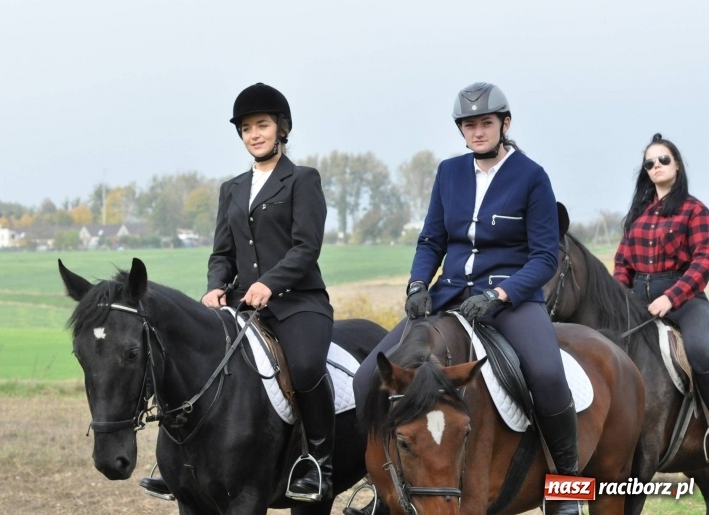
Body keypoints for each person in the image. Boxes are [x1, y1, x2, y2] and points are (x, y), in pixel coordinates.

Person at [348, 82, 581, 515]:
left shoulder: (532, 176)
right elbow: (431, 239)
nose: (477, 132)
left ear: (504, 124)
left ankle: (567, 487)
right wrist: (418, 284)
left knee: (548, 375)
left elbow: (545, 257)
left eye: (485, 123)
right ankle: (385, 486)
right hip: (449, 297)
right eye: (469, 125)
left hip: (511, 300)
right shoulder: (449, 172)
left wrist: (499, 293)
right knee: (365, 380)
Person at [203, 82, 335, 501]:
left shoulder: (303, 180)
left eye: (261, 125)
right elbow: (222, 253)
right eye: (246, 128)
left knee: (307, 366)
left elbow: (306, 247)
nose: (253, 134)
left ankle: (318, 462)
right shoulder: (231, 189)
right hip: (243, 304)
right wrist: (214, 287)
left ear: (281, 128)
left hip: (298, 302)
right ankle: (185, 460)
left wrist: (270, 283)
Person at [614, 133, 709, 406]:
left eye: (663, 159)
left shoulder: (695, 210)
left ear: (677, 163)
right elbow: (623, 263)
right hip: (637, 300)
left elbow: (703, 261)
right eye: (650, 163)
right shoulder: (638, 213)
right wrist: (618, 297)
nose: (656, 165)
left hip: (684, 301)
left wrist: (670, 297)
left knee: (702, 349)